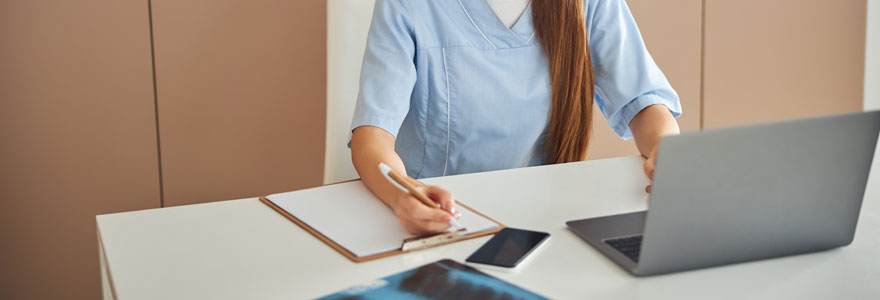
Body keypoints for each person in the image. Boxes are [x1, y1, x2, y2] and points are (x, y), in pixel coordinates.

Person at [349, 0, 681, 235]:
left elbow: (644, 104)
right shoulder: (409, 5)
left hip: (543, 221)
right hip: (440, 219)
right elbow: (371, 140)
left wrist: (667, 149)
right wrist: (405, 198)